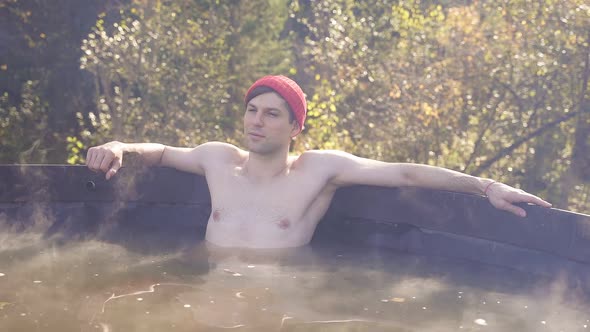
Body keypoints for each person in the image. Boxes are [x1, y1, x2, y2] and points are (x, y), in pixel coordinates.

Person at [86, 75, 552, 249]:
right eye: (252, 110)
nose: (257, 121)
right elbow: (163, 153)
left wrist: (485, 186)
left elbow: (405, 172)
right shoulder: (217, 160)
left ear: (294, 128)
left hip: (279, 301)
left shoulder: (318, 170)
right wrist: (122, 147)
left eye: (271, 114)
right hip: (208, 292)